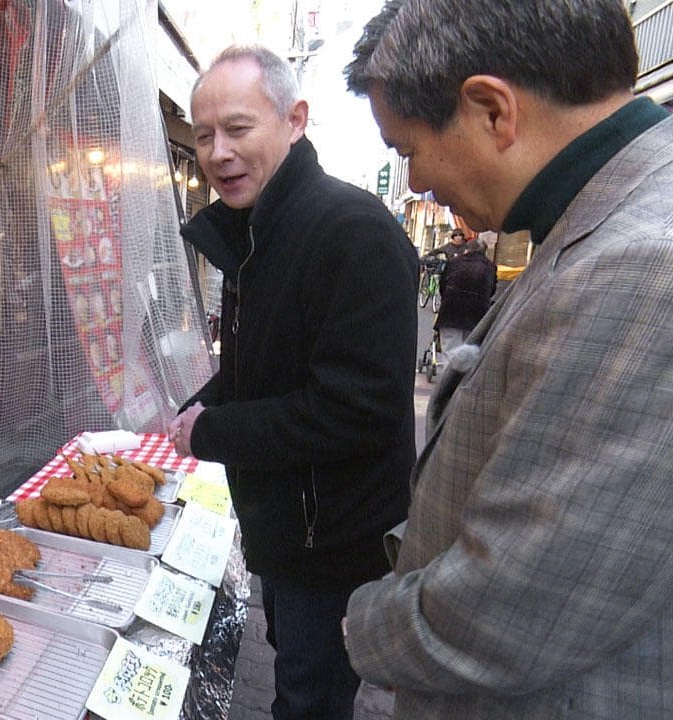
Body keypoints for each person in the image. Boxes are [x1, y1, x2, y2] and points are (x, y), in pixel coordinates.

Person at [343, 1, 673, 717]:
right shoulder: (599, 221)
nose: (416, 183)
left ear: (492, 110)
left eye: (407, 150)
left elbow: (517, 611)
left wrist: (361, 623)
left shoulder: (645, 265)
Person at [168, 45, 419, 720]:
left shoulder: (351, 230)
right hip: (282, 528)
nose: (219, 152)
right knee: (294, 671)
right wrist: (205, 402)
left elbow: (355, 408)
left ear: (294, 119)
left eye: (239, 128)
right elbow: (268, 365)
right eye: (203, 134)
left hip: (331, 542)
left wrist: (213, 431)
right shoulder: (254, 234)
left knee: (308, 698)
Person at [434, 239, 496, 357]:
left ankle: (450, 374)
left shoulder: (454, 262)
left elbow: (443, 286)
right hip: (477, 314)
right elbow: (491, 290)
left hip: (451, 311)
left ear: (466, 250)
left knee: (451, 350)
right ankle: (464, 375)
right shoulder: (490, 267)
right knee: (470, 353)